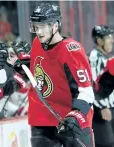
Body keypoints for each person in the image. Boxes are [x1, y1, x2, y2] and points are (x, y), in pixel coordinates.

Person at [28, 3, 95, 147]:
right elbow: (39, 71)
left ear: (56, 25)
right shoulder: (36, 44)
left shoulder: (71, 50)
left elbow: (86, 92)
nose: (38, 31)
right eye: (36, 26)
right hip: (43, 122)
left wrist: (75, 116)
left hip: (73, 122)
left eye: (43, 26)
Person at [88, 25, 114, 147]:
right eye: (108, 37)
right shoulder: (94, 58)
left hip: (109, 108)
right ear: (99, 41)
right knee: (106, 144)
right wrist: (102, 107)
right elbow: (92, 85)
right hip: (101, 111)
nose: (112, 40)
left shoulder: (103, 57)